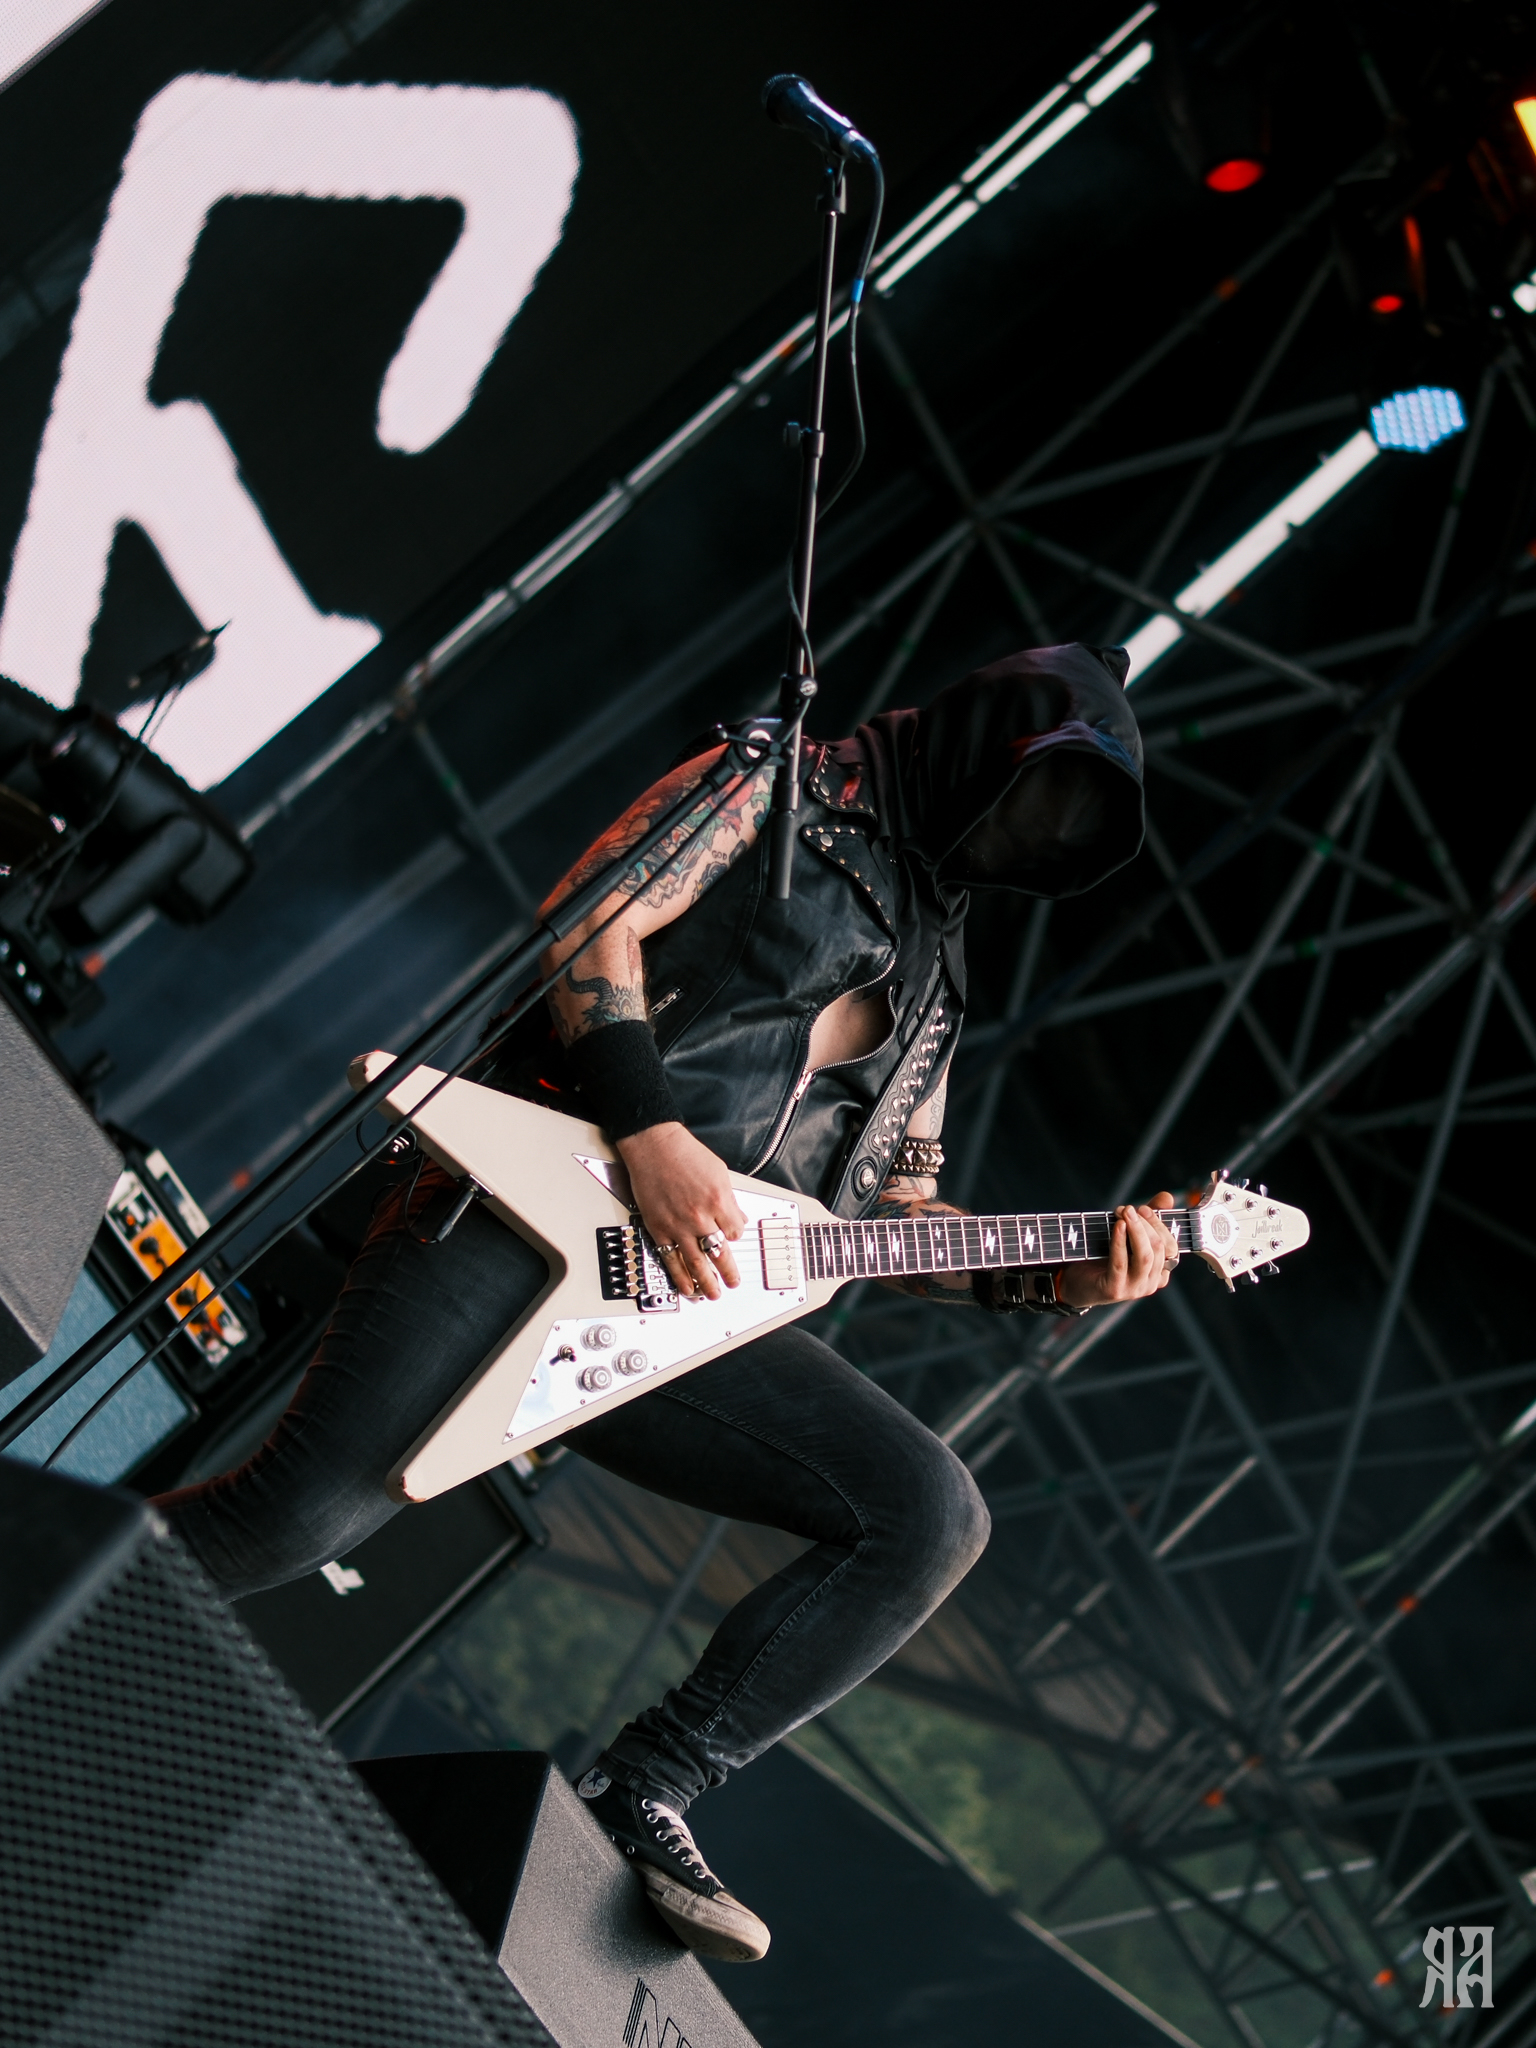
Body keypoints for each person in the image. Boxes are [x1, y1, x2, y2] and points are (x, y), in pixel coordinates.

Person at [155, 641, 1181, 1963]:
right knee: (288, 1521)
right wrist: (649, 1129)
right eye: (1037, 792)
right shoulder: (780, 783)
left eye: (1065, 826)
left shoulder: (942, 984)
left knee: (928, 1513)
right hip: (536, 1206)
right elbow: (593, 919)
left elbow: (892, 1218)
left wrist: (1060, 1273)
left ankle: (649, 1783)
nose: (1035, 832)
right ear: (989, 743)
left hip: (680, 1308)